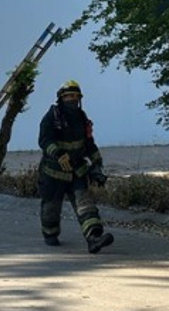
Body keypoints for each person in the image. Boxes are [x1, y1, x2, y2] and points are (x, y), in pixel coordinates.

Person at [37, 80, 114, 253]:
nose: (72, 99)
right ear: (61, 99)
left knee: (85, 204)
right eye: (68, 96)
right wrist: (57, 153)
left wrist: (97, 164)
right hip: (53, 173)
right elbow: (44, 140)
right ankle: (50, 234)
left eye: (75, 96)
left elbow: (89, 144)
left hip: (77, 171)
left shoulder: (82, 117)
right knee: (51, 208)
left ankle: (94, 238)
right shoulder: (52, 116)